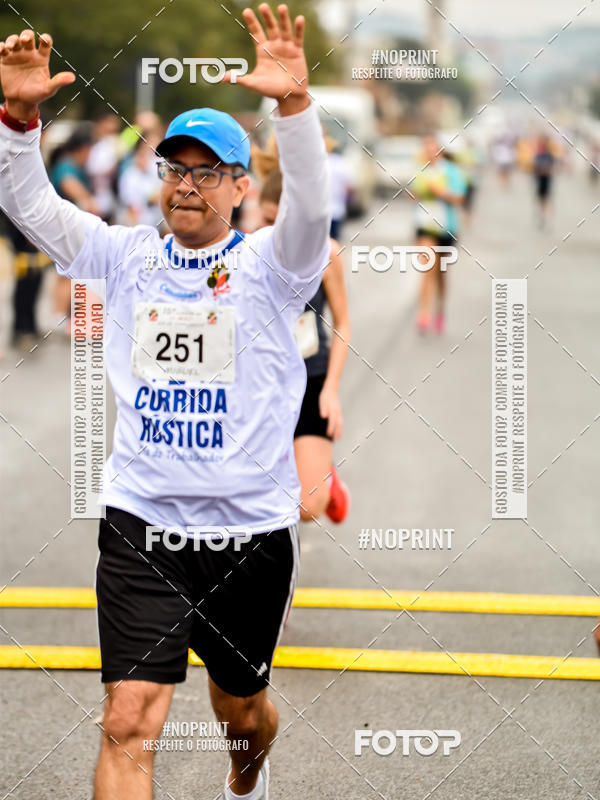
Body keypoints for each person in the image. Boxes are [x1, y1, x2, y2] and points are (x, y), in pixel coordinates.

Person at [0, 8, 330, 800]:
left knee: (242, 710)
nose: (188, 183)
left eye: (209, 170)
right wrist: (16, 122)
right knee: (129, 718)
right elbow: (33, 210)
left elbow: (313, 212)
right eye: (176, 168)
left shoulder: (272, 267)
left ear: (242, 185)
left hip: (247, 529)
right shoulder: (123, 255)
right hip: (142, 521)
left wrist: (295, 109)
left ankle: (247, 775)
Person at [258, 170, 351, 523]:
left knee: (307, 507)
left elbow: (343, 324)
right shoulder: (246, 251)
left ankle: (326, 478)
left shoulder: (326, 254)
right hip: (262, 381)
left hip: (311, 377)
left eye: (278, 222)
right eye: (265, 219)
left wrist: (331, 390)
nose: (270, 231)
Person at [412, 134, 466, 334]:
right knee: (426, 267)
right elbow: (414, 195)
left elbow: (460, 198)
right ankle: (424, 313)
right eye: (426, 150)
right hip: (425, 225)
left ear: (440, 151)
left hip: (446, 227)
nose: (429, 153)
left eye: (432, 149)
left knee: (441, 274)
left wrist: (441, 192)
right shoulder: (421, 171)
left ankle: (440, 309)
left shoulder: (451, 171)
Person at [532, 135, 556, 229]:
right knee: (542, 200)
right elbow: (535, 168)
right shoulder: (539, 155)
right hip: (541, 179)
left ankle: (547, 218)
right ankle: (543, 217)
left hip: (546, 179)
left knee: (546, 199)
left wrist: (544, 170)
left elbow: (551, 168)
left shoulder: (548, 155)